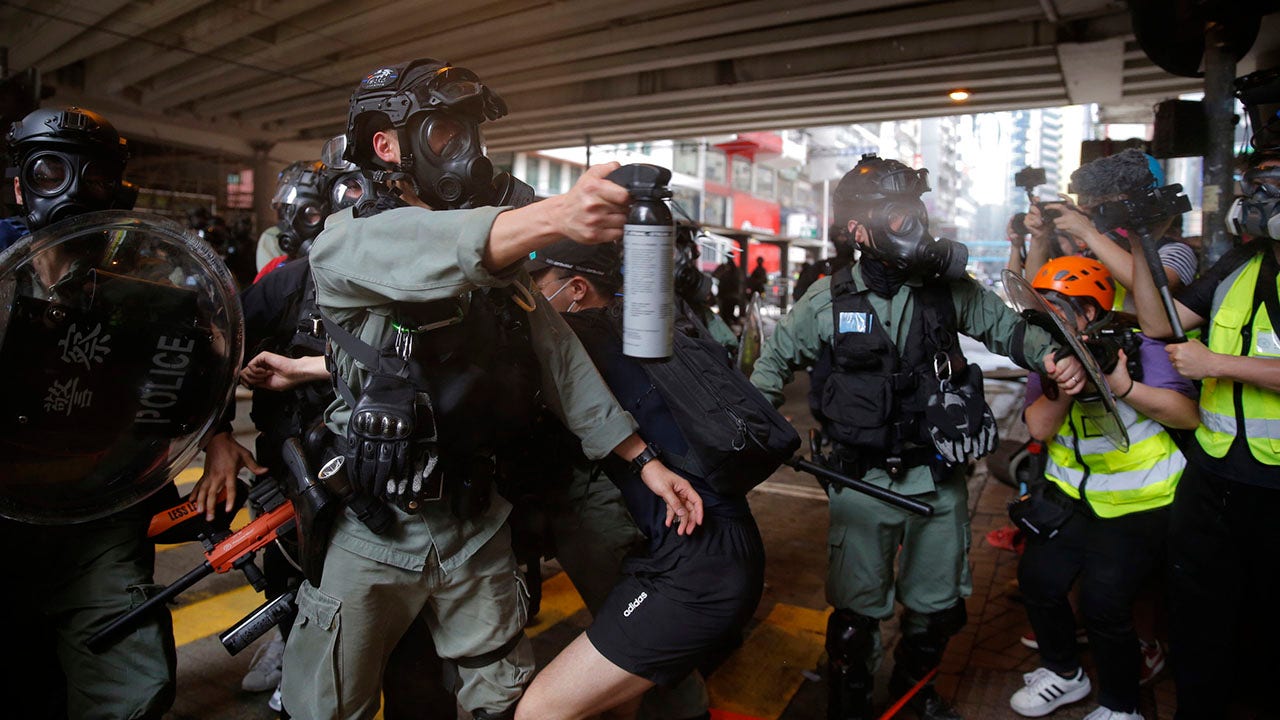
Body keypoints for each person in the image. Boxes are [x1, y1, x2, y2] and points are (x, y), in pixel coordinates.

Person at [277, 58, 701, 720]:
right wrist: (559, 213)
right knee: (329, 705)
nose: (468, 153)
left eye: (472, 133)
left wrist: (641, 459)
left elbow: (558, 360)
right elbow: (436, 248)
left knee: (499, 697)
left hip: (477, 522)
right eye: (446, 133)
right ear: (387, 146)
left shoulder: (494, 269)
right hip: (376, 529)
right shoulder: (348, 243)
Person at [749, 154, 1085, 720]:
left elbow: (1009, 332)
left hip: (939, 481)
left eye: (914, 209)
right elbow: (770, 371)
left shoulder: (948, 289)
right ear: (858, 229)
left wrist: (1056, 358)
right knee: (856, 618)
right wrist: (752, 433)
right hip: (859, 480)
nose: (912, 222)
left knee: (937, 612)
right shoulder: (828, 299)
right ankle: (851, 708)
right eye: (894, 212)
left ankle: (912, 700)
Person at [517, 239, 763, 720]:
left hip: (697, 573)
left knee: (539, 711)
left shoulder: (585, 344)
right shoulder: (648, 326)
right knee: (623, 695)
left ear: (577, 288)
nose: (530, 300)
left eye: (536, 288)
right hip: (710, 549)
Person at [0, 106, 176, 719]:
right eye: (50, 171)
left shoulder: (146, 291)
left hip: (97, 520)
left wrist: (218, 442)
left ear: (118, 189)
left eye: (94, 176)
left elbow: (181, 386)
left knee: (132, 683)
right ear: (20, 185)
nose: (74, 193)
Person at [1009, 257, 1196, 720]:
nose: (1042, 315)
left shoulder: (1141, 347)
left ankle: (1121, 705)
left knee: (1103, 603)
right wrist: (1066, 383)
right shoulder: (1048, 353)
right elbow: (1038, 427)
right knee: (1039, 580)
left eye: (1053, 305)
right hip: (1071, 498)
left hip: (1142, 503)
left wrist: (1123, 385)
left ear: (1089, 311)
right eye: (1038, 305)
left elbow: (1188, 416)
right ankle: (1064, 674)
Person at [1129, 150, 1280, 719]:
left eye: (1270, 188)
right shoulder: (1240, 264)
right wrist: (1145, 239)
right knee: (1198, 618)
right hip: (1214, 477)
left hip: (1275, 489)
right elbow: (1157, 323)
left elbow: (1204, 357)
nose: (1256, 201)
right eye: (1253, 187)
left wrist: (1216, 363)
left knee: (1267, 628)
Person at [1028, 150, 1198, 309]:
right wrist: (1039, 238)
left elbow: (1151, 287)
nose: (1090, 208)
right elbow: (1039, 295)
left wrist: (1087, 232)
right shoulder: (1098, 249)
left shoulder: (1176, 252)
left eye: (1103, 202)